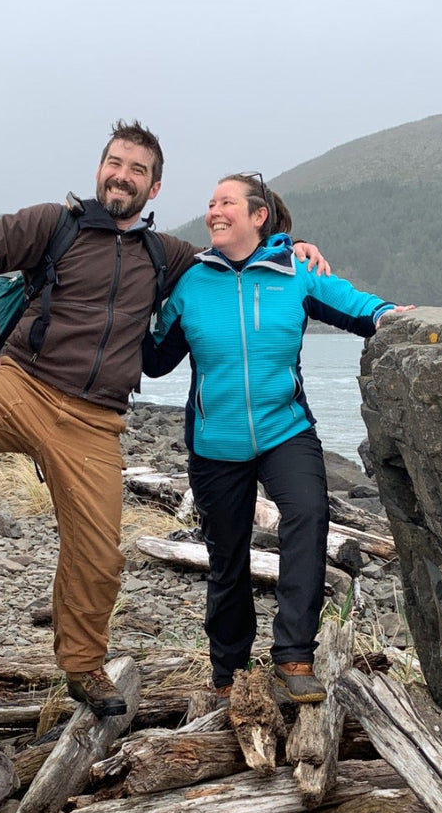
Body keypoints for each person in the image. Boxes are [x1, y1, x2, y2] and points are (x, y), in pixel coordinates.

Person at [0, 123, 329, 717]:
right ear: (100, 168)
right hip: (20, 385)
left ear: (154, 189)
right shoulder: (54, 224)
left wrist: (291, 245)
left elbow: (241, 256)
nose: (122, 175)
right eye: (115, 162)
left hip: (93, 421)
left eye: (137, 170)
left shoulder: (170, 257)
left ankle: (82, 667)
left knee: (99, 553)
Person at [144, 174, 410, 704]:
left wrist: (391, 316)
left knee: (308, 519)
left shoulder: (295, 271)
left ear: (258, 215)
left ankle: (294, 657)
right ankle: (228, 674)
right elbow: (154, 360)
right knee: (226, 558)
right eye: (211, 203)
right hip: (215, 439)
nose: (214, 211)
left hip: (284, 429)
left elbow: (357, 307)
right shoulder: (193, 282)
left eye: (226, 203)